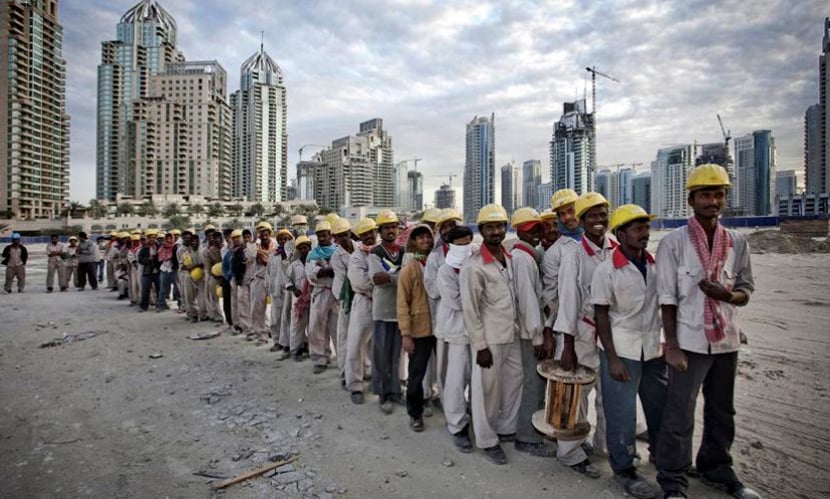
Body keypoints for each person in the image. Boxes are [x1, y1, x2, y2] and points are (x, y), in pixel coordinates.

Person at [655, 164, 759, 499]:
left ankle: (717, 468)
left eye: (718, 194)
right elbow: (667, 298)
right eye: (705, 194)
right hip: (688, 340)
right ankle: (673, 478)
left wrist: (726, 296)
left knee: (721, 410)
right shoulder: (674, 242)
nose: (712, 201)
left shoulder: (737, 242)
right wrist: (671, 345)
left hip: (726, 341)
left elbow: (744, 291)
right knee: (679, 411)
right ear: (692, 199)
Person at [592, 204, 666, 499]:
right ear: (620, 234)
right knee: (621, 414)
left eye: (646, 228)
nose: (644, 234)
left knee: (660, 408)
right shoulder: (606, 270)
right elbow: (601, 316)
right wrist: (611, 358)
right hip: (621, 350)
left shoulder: (655, 264)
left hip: (652, 349)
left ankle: (663, 457)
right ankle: (624, 470)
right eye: (637, 228)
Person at [553, 192, 615, 478]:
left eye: (602, 214)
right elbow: (567, 300)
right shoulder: (573, 254)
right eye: (592, 215)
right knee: (576, 397)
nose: (599, 220)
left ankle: (605, 445)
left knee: (610, 393)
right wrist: (567, 345)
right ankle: (571, 452)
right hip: (581, 333)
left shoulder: (616, 247)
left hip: (612, 335)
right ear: (582, 221)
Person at [460, 204, 523, 465]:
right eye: (490, 227)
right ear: (481, 230)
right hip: (490, 338)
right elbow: (470, 310)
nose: (496, 231)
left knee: (514, 382)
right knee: (486, 390)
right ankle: (487, 440)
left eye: (500, 226)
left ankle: (506, 428)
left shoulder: (509, 257)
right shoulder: (473, 266)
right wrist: (480, 345)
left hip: (512, 333)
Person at [510, 208, 557, 458]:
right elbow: (528, 301)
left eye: (538, 229)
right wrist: (538, 336)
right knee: (534, 384)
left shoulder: (528, 254)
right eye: (532, 230)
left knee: (534, 383)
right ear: (520, 231)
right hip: (531, 333)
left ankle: (532, 430)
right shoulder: (523, 259)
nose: (538, 234)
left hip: (531, 329)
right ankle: (527, 437)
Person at [436, 225, 475, 452]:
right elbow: (456, 302)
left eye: (467, 243)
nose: (464, 248)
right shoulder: (446, 271)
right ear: (450, 246)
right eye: (459, 245)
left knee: (477, 380)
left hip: (478, 331)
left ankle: (475, 418)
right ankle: (457, 426)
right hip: (456, 330)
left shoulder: (476, 258)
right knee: (456, 380)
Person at [423, 208, 464, 410]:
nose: (449, 229)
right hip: (446, 318)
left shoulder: (472, 251)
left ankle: (463, 405)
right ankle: (450, 408)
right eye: (444, 226)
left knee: (469, 370)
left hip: (473, 320)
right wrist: (449, 281)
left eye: (452, 225)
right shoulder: (435, 257)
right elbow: (431, 289)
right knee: (447, 367)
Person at [397, 224, 436, 432]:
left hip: (439, 326)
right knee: (416, 375)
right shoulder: (409, 269)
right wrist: (406, 334)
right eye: (419, 238)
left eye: (427, 237)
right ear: (413, 242)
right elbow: (402, 303)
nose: (425, 241)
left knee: (444, 372)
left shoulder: (439, 262)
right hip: (419, 329)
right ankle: (415, 413)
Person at [368, 210, 405, 414]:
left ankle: (395, 390)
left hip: (400, 309)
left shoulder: (406, 250)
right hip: (382, 309)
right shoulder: (375, 252)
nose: (391, 230)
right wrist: (399, 277)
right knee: (381, 353)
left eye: (393, 227)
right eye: (387, 227)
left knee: (396, 354)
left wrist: (391, 277)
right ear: (380, 231)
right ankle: (382, 392)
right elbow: (376, 279)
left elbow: (413, 274)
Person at [345, 218, 379, 404]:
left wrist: (384, 280)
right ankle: (355, 385)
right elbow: (360, 281)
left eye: (371, 232)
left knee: (379, 345)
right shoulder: (357, 256)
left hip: (381, 304)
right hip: (364, 302)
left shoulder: (383, 251)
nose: (368, 236)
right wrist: (381, 281)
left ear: (376, 232)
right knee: (356, 344)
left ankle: (377, 380)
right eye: (364, 234)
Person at [306, 220, 339, 374]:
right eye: (319, 236)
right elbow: (312, 273)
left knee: (337, 328)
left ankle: (343, 359)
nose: (322, 238)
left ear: (330, 236)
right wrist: (329, 270)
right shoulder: (313, 253)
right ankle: (320, 358)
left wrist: (324, 270)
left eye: (324, 235)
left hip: (335, 292)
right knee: (316, 326)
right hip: (320, 292)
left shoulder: (338, 251)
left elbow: (340, 271)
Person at [330, 217, 355, 387]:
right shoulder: (336, 256)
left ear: (349, 233)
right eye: (338, 237)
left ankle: (363, 370)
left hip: (363, 298)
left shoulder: (361, 248)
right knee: (345, 336)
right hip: (346, 298)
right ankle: (345, 373)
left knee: (362, 338)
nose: (341, 239)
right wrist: (342, 300)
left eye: (344, 235)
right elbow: (341, 280)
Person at [286, 235, 312, 359]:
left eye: (305, 247)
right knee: (297, 324)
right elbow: (288, 280)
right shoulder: (294, 265)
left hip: (312, 298)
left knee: (312, 324)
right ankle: (296, 349)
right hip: (299, 298)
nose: (303, 250)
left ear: (309, 248)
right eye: (301, 248)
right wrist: (294, 289)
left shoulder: (314, 262)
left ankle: (311, 349)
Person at [269, 228, 294, 357]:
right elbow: (270, 272)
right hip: (276, 289)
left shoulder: (293, 254)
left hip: (288, 290)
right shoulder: (273, 255)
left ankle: (288, 344)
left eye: (286, 239)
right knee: (275, 318)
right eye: (280, 239)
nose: (283, 241)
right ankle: (276, 340)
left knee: (287, 319)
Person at [249, 222, 275, 341]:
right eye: (261, 233)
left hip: (272, 280)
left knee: (275, 308)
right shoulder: (254, 246)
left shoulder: (274, 245)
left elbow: (269, 260)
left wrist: (263, 255)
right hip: (259, 279)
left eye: (266, 234)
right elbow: (250, 256)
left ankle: (272, 332)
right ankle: (260, 332)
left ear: (269, 234)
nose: (264, 236)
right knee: (257, 308)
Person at [138, 230, 162, 312]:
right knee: (145, 290)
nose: (152, 239)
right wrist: (148, 259)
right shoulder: (144, 248)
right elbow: (140, 260)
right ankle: (144, 306)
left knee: (160, 289)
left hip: (158, 271)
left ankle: (160, 305)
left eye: (154, 237)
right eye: (150, 238)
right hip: (147, 272)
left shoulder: (160, 247)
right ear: (148, 239)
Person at [157, 232, 178, 310]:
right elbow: (159, 258)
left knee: (177, 288)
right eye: (167, 238)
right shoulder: (162, 248)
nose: (169, 240)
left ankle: (181, 304)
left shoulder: (175, 247)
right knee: (162, 289)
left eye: (170, 238)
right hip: (164, 269)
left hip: (173, 269)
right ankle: (161, 305)